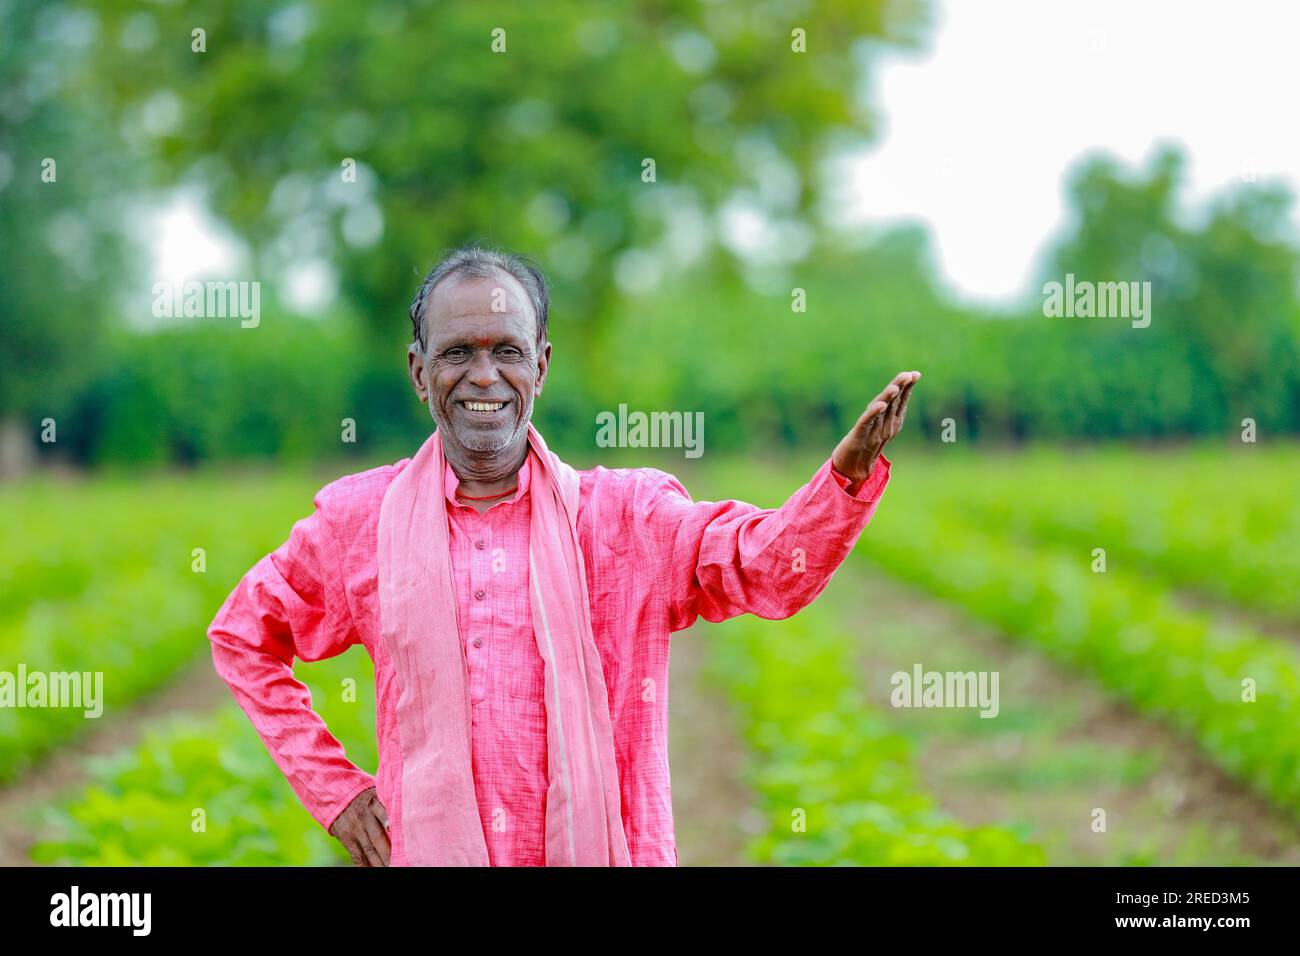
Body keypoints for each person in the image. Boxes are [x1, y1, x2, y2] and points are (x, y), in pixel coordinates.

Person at [207, 244, 920, 866]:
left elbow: (763, 566)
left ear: (540, 366)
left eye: (506, 351)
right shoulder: (360, 521)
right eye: (458, 353)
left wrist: (844, 479)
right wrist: (336, 793)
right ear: (419, 372)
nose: (483, 376)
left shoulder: (626, 520)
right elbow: (243, 635)